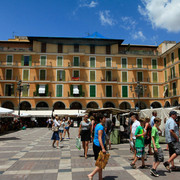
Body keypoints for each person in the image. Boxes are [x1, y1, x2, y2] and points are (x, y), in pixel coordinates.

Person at [88, 113, 106, 180]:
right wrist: (103, 148)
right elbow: (99, 138)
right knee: (101, 162)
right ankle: (91, 174)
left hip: (96, 145)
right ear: (101, 119)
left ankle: (100, 178)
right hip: (99, 146)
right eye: (104, 118)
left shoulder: (97, 125)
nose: (105, 119)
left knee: (100, 163)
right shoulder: (100, 127)